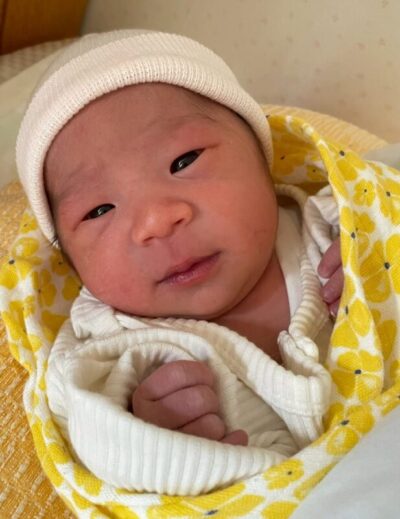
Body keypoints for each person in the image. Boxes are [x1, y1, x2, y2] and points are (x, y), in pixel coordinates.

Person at [16, 29, 343, 495]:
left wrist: (380, 254)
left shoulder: (336, 224)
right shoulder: (110, 350)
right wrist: (151, 439)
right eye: (99, 210)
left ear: (262, 157)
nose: (155, 220)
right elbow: (93, 436)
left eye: (183, 161)